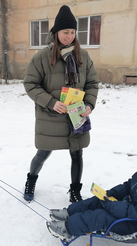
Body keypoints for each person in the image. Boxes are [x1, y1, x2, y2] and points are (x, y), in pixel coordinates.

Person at [23, 5, 99, 203]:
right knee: (42, 153)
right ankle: (31, 181)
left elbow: (91, 83)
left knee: (77, 154)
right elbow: (30, 84)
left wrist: (89, 103)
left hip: (76, 116)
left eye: (73, 32)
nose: (70, 36)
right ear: (56, 33)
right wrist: (50, 102)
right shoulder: (41, 57)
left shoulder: (83, 56)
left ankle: (75, 191)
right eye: (66, 32)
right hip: (51, 116)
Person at [46, 141, 137, 242]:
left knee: (100, 215)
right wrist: (113, 193)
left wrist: (112, 205)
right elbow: (129, 185)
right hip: (129, 209)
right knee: (99, 199)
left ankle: (68, 229)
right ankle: (70, 213)